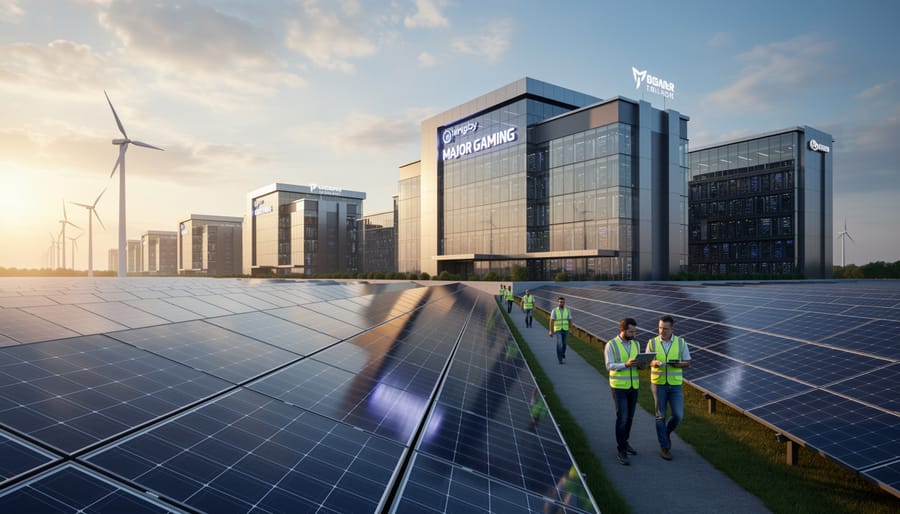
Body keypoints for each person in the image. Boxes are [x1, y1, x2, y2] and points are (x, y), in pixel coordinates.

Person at [647, 314, 691, 461]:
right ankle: (664, 447)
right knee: (660, 415)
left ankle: (666, 433)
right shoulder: (652, 342)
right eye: (660, 328)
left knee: (678, 415)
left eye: (665, 329)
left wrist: (677, 364)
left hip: (675, 384)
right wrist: (653, 363)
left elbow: (688, 362)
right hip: (658, 383)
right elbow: (647, 361)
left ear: (672, 329)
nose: (662, 331)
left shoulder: (681, 343)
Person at [604, 317, 643, 465]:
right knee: (622, 417)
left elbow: (637, 363)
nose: (633, 334)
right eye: (631, 332)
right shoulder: (611, 344)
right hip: (619, 386)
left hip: (634, 385)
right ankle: (621, 450)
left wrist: (642, 365)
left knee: (630, 417)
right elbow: (609, 365)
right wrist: (625, 364)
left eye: (634, 331)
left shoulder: (636, 344)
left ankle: (625, 443)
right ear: (623, 330)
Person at [548, 297, 572, 364]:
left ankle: (562, 353)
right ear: (557, 302)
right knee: (559, 344)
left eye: (563, 302)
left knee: (564, 344)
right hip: (558, 330)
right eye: (560, 302)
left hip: (565, 329)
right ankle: (560, 359)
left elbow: (570, 320)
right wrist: (550, 331)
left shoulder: (567, 310)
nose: (561, 303)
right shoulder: (554, 311)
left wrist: (570, 329)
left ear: (564, 303)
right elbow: (551, 321)